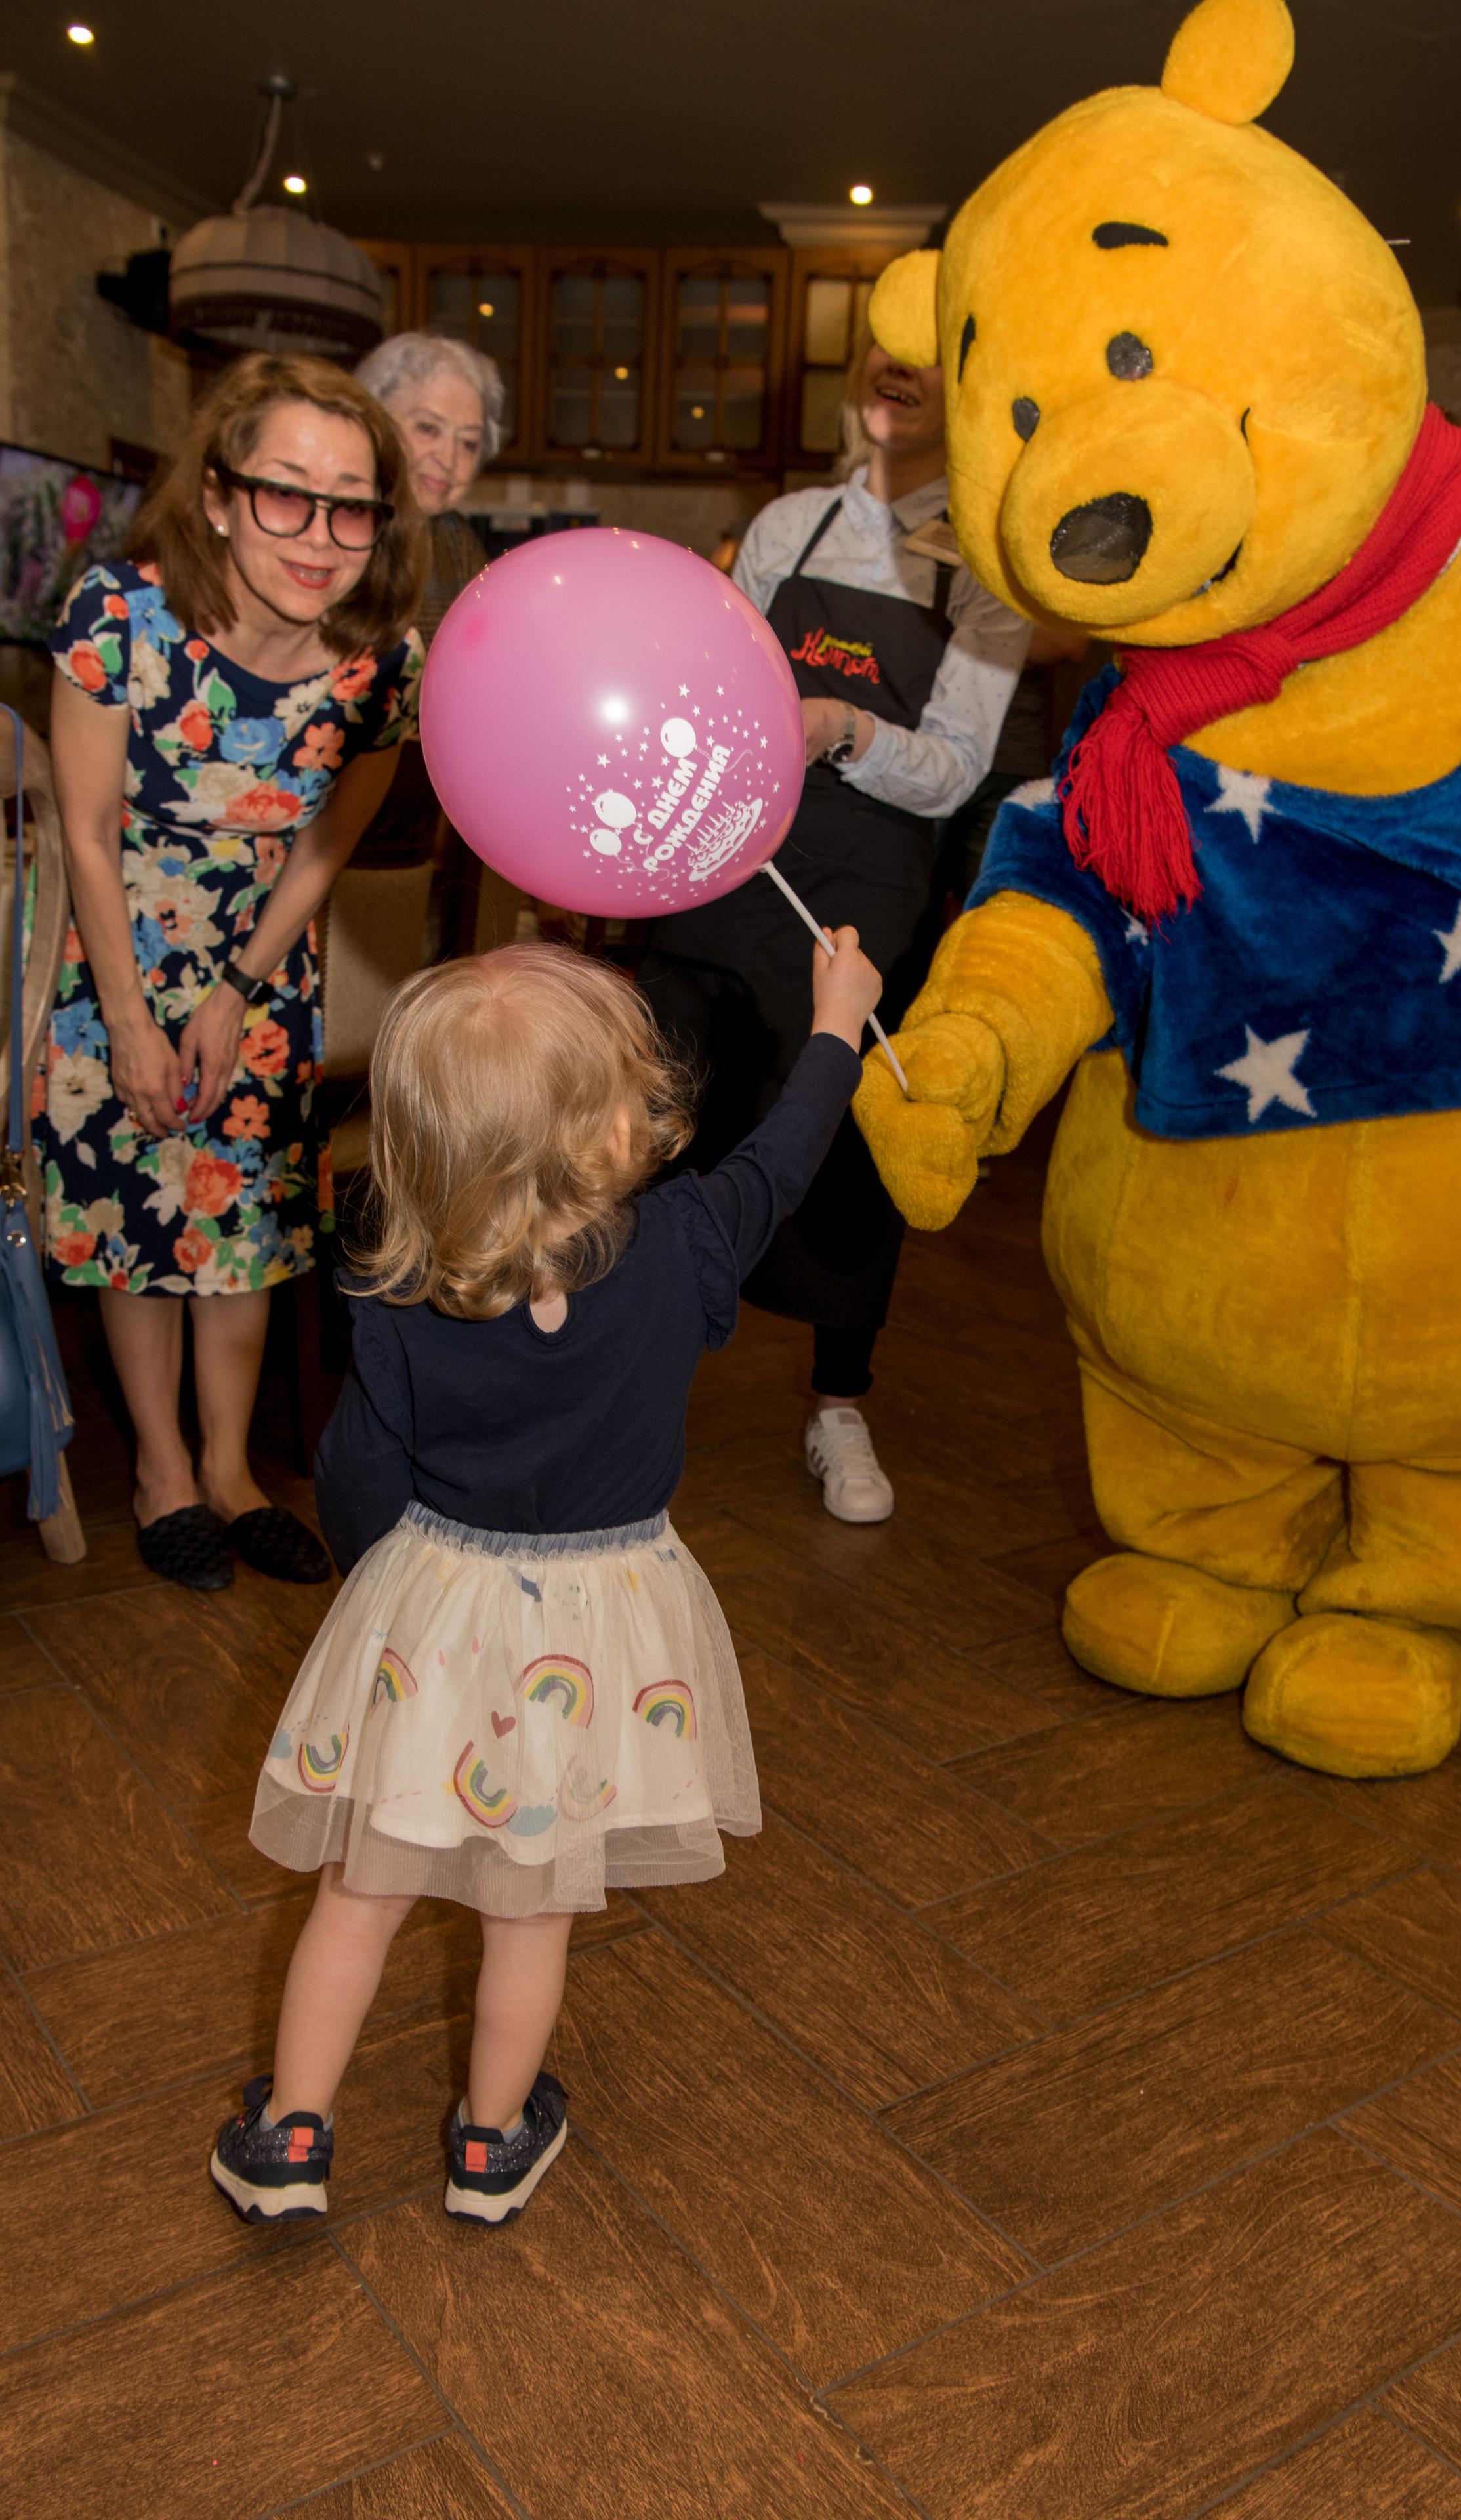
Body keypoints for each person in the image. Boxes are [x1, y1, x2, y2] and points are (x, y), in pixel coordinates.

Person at [207, 928, 881, 2225]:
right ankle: (489, 2142)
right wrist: (836, 1026)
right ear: (610, 1133)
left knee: (363, 1891)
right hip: (597, 1636)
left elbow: (356, 1474)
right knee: (531, 1910)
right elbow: (782, 1161)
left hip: (435, 1622)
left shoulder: (397, 1292)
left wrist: (377, 1599)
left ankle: (291, 2140)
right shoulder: (685, 1238)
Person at [43, 353, 426, 1593]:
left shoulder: (383, 664)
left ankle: (233, 1470)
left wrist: (234, 990)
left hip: (262, 970)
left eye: (351, 503)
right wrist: (133, 1020)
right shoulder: (118, 616)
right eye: (285, 493)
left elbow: (322, 848)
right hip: (114, 956)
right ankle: (160, 1468)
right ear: (217, 496)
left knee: (245, 1229)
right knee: (140, 1222)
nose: (320, 534)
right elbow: (88, 837)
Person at [638, 332, 1031, 1524]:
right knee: (662, 1111)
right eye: (887, 351)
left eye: (935, 356)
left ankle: (839, 1408)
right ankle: (631, 1372)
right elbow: (717, 689)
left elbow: (959, 769)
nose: (899, 372)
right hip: (727, 864)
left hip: (868, 882)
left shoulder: (992, 571)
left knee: (850, 1146)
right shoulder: (789, 526)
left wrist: (842, 729)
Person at [350, 334, 502, 941]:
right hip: (327, 822)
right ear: (373, 420)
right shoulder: (330, 528)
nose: (451, 460)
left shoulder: (457, 540)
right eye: (428, 429)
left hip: (423, 833)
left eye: (468, 442)